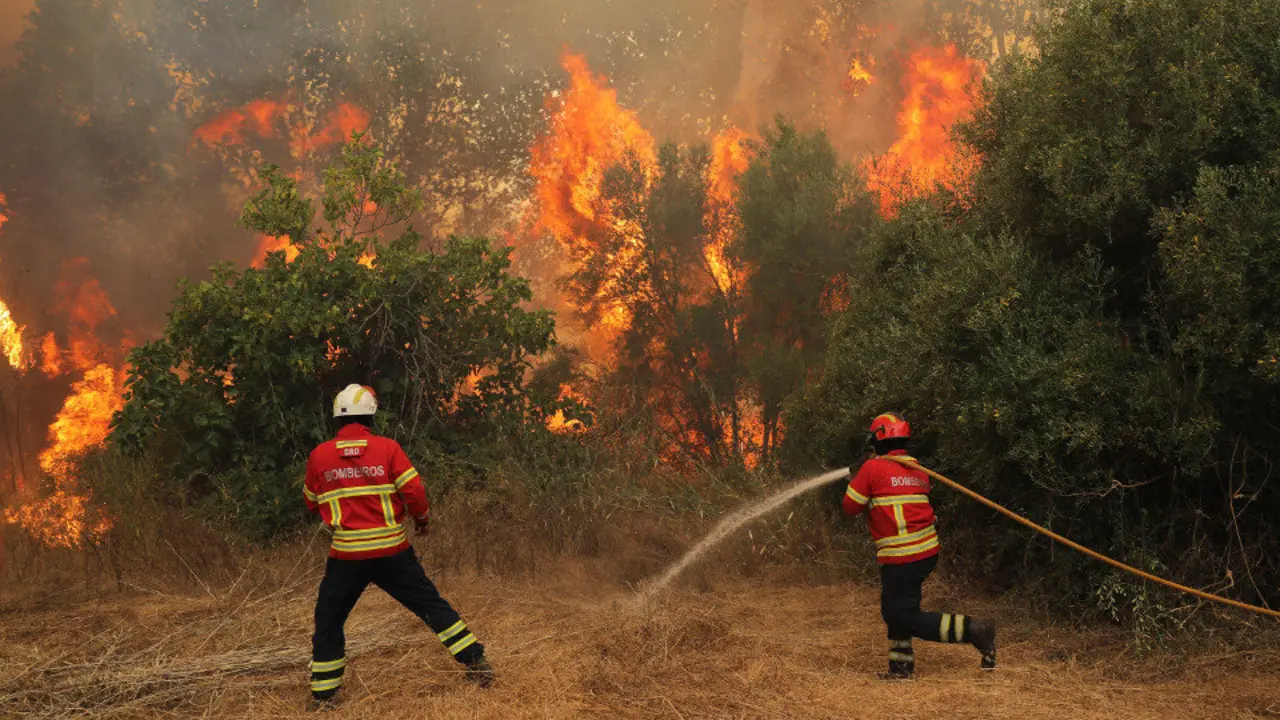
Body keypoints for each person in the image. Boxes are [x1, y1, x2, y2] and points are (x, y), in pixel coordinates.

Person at [303, 383, 494, 706]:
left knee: (329, 620)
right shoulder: (388, 449)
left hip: (347, 556)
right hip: (392, 552)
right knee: (430, 605)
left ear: (337, 418)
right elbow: (414, 491)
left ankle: (324, 696)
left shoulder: (319, 455)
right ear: (371, 417)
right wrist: (422, 520)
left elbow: (311, 501)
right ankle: (477, 663)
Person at [842, 412, 997, 679]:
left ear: (878, 439)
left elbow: (850, 506)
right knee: (896, 608)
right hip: (924, 551)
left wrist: (857, 476)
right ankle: (900, 668)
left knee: (901, 615)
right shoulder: (918, 470)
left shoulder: (872, 469)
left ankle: (975, 630)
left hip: (903, 554)